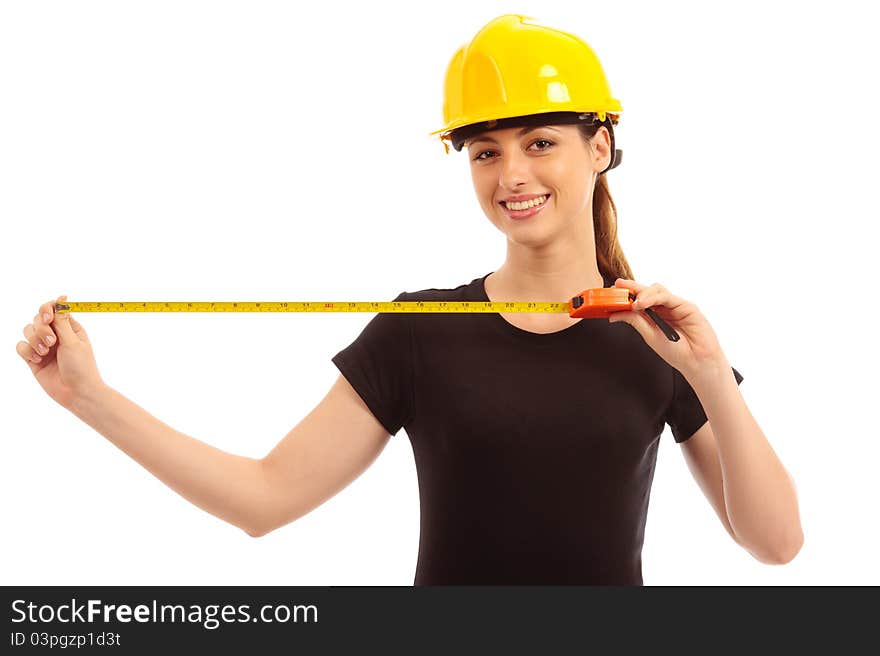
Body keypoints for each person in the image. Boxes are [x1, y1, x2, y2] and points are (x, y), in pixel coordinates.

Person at [17, 14, 802, 585]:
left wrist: (709, 372)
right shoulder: (419, 332)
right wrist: (87, 396)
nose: (511, 177)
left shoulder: (657, 339)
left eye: (540, 143)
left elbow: (776, 544)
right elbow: (263, 498)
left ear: (599, 147)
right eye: (485, 151)